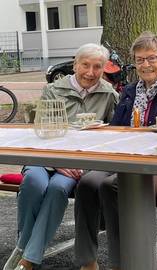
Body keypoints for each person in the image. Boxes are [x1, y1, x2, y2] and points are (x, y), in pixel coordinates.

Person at [74, 31, 157, 270]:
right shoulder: (131, 90)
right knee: (87, 183)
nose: (145, 64)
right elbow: (119, 127)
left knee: (113, 186)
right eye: (140, 60)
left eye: (151, 58)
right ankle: (87, 261)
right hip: (124, 158)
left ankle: (122, 263)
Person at [3, 43, 119, 270]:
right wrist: (56, 162)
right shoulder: (54, 90)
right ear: (75, 64)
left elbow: (113, 136)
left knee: (57, 189)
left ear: (104, 68)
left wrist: (79, 163)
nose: (90, 72)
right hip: (45, 157)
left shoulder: (109, 94)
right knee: (34, 183)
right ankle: (26, 247)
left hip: (78, 164)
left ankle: (26, 258)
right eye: (85, 65)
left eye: (97, 67)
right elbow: (40, 131)